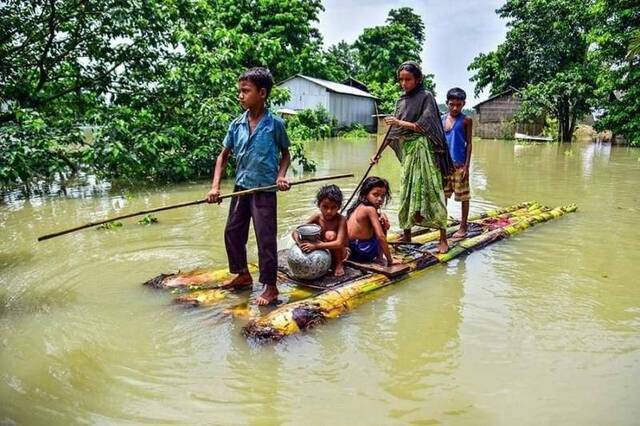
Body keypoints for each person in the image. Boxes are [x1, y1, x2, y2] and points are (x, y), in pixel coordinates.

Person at [205, 67, 291, 305]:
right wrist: (215, 188)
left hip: (264, 190)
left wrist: (281, 176)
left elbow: (285, 155)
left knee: (265, 238)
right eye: (239, 91)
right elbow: (223, 156)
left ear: (262, 93)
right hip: (241, 188)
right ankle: (242, 274)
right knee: (232, 232)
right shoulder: (236, 124)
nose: (240, 96)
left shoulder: (275, 124)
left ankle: (270, 287)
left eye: (245, 91)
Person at [372, 61, 454, 253]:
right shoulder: (400, 102)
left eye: (408, 79)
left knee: (433, 191)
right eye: (401, 79)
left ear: (417, 79)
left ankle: (443, 237)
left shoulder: (426, 97)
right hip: (409, 153)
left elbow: (425, 124)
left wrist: (399, 122)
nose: (404, 83)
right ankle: (407, 233)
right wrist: (377, 154)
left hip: (424, 150)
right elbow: (393, 132)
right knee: (406, 190)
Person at [292, 185, 348, 277]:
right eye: (325, 207)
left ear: (339, 207)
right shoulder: (317, 217)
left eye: (333, 207)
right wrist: (300, 243)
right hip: (324, 250)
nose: (329, 211)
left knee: (330, 235)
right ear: (318, 205)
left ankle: (338, 264)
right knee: (308, 234)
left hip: (341, 253)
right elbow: (296, 231)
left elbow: (339, 243)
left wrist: (316, 245)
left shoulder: (341, 219)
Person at [345, 177, 398, 266]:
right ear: (366, 194)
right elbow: (380, 236)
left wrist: (382, 215)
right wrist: (390, 260)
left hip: (351, 250)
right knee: (381, 225)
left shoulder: (358, 206)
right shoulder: (370, 210)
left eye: (383, 196)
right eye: (375, 195)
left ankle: (380, 256)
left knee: (381, 220)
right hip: (362, 253)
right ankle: (380, 258)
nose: (380, 199)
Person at [442, 87, 473, 237]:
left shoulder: (466, 120)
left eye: (458, 105)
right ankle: (442, 226)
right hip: (444, 166)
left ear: (463, 104)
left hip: (460, 166)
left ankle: (463, 227)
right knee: (443, 198)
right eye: (452, 104)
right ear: (446, 103)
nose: (455, 108)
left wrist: (467, 166)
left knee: (463, 197)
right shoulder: (440, 120)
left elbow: (469, 144)